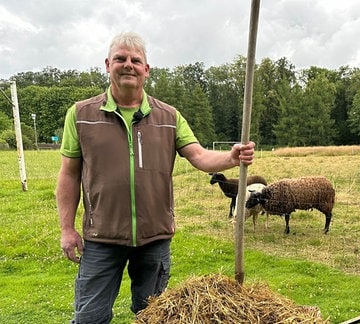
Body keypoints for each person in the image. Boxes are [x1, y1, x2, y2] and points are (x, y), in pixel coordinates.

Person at [56, 31, 255, 324]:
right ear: (107, 64)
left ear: (146, 70)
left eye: (136, 60)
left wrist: (230, 157)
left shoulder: (169, 117)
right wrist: (66, 228)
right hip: (100, 238)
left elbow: (199, 155)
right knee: (89, 318)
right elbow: (69, 175)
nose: (128, 65)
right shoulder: (81, 114)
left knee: (153, 317)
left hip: (154, 239)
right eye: (121, 59)